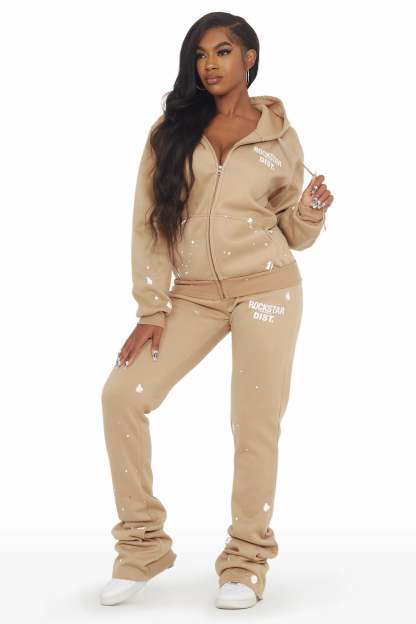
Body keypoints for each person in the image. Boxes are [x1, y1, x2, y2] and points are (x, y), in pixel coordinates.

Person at [99, 10, 333, 611]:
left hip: (268, 289)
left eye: (223, 51)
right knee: (122, 396)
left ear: (249, 57)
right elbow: (148, 222)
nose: (210, 64)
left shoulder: (280, 137)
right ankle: (142, 547)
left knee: (254, 426)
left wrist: (310, 211)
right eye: (201, 54)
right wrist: (152, 308)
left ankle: (246, 562)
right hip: (194, 294)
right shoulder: (172, 130)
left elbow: (294, 232)